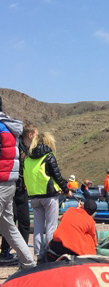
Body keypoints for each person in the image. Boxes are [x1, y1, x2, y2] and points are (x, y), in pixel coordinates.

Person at [0, 97, 36, 269]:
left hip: (1, 183)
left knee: (9, 226)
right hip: (9, 184)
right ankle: (29, 264)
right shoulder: (7, 126)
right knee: (8, 227)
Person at [24, 131, 71, 260]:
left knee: (38, 227)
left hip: (34, 197)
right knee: (51, 227)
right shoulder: (48, 156)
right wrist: (66, 190)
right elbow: (57, 176)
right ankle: (50, 255)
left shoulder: (28, 158)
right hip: (49, 196)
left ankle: (39, 255)